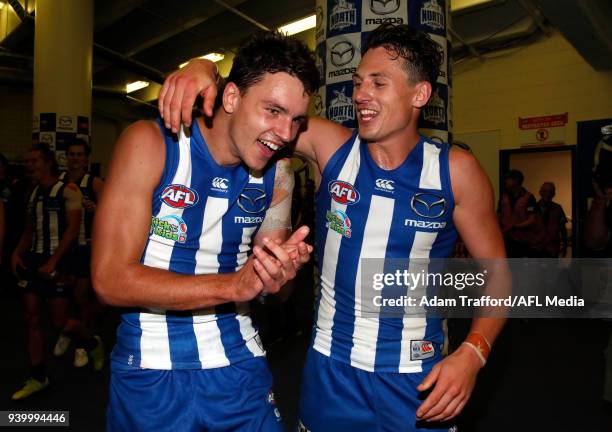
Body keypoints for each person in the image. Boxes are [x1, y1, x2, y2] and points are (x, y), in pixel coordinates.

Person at [161, 23, 507, 431]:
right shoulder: (331, 147)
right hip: (331, 372)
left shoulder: (456, 171)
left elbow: (497, 273)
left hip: (418, 378)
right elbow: (254, 109)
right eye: (359, 82)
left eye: (378, 83)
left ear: (420, 94)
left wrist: (474, 353)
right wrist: (206, 70)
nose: (360, 94)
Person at [92, 31, 317, 431]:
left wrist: (280, 275)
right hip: (151, 369)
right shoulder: (152, 143)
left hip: (238, 365)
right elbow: (110, 280)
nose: (286, 133)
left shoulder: (278, 175)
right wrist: (233, 286)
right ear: (231, 98)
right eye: (273, 111)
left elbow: (271, 292)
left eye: (296, 119)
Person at [10, 144, 83, 400]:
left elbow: (73, 229)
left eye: (34, 161)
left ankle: (91, 341)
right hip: (33, 260)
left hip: (59, 262)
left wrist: (53, 261)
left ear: (48, 162)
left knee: (59, 322)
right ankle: (38, 376)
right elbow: (29, 229)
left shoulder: (68, 191)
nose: (29, 165)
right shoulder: (31, 192)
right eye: (27, 161)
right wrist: (16, 252)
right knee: (31, 319)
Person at [53, 139, 105, 369]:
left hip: (86, 247)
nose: (74, 158)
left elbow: (112, 212)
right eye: (71, 154)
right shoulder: (58, 183)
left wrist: (97, 209)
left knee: (82, 297)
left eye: (79, 154)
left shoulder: (93, 182)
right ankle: (70, 328)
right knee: (61, 298)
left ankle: (84, 345)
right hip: (64, 248)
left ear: (86, 158)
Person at [498, 169, 544, 257]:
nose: (505, 181)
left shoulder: (528, 197)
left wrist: (515, 226)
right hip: (506, 238)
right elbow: (499, 214)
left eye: (508, 178)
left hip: (524, 240)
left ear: (516, 180)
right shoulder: (504, 196)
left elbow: (532, 219)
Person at [536, 181, 568, 257]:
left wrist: (565, 245)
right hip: (536, 247)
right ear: (540, 192)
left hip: (552, 248)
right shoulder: (534, 208)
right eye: (545, 191)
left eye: (550, 192)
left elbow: (563, 229)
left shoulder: (558, 208)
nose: (547, 194)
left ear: (553, 194)